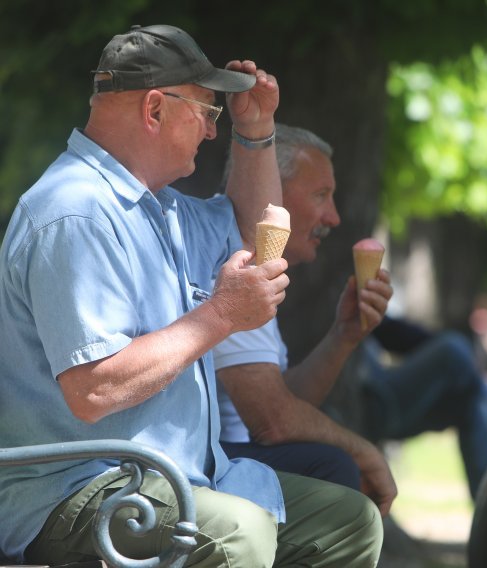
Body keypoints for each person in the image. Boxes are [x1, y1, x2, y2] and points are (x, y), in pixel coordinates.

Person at [0, 25, 381, 567]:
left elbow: (258, 236)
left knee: (348, 524)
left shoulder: (160, 206)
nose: (209, 132)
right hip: (76, 493)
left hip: (169, 478)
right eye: (208, 112)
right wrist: (220, 315)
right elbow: (95, 391)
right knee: (238, 535)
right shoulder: (76, 211)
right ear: (155, 109)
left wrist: (256, 131)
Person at [213, 124, 398, 515]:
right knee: (333, 465)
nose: (333, 217)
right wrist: (363, 451)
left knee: (328, 454)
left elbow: (284, 404)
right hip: (198, 464)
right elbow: (273, 423)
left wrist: (343, 336)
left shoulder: (252, 259)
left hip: (225, 455)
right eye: (321, 195)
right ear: (272, 193)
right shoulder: (234, 260)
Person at [360, 315, 487, 501]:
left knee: (469, 403)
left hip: (380, 397)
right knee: (452, 348)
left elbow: (389, 332)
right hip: (370, 402)